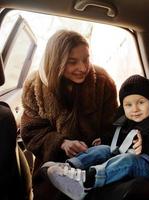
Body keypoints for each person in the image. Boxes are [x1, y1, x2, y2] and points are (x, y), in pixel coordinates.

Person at [20, 30, 118, 200]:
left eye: (86, 59)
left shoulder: (102, 82)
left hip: (96, 164)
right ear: (56, 62)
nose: (83, 67)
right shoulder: (34, 87)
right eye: (72, 62)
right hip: (52, 167)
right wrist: (61, 143)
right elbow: (30, 132)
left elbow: (114, 125)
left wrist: (102, 141)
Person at [43, 74, 149, 200]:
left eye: (141, 102)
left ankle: (87, 182)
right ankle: (69, 168)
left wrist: (147, 143)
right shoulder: (124, 121)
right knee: (103, 149)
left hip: (145, 166)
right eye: (128, 105)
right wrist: (105, 140)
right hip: (122, 155)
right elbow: (119, 139)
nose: (135, 109)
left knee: (128, 160)